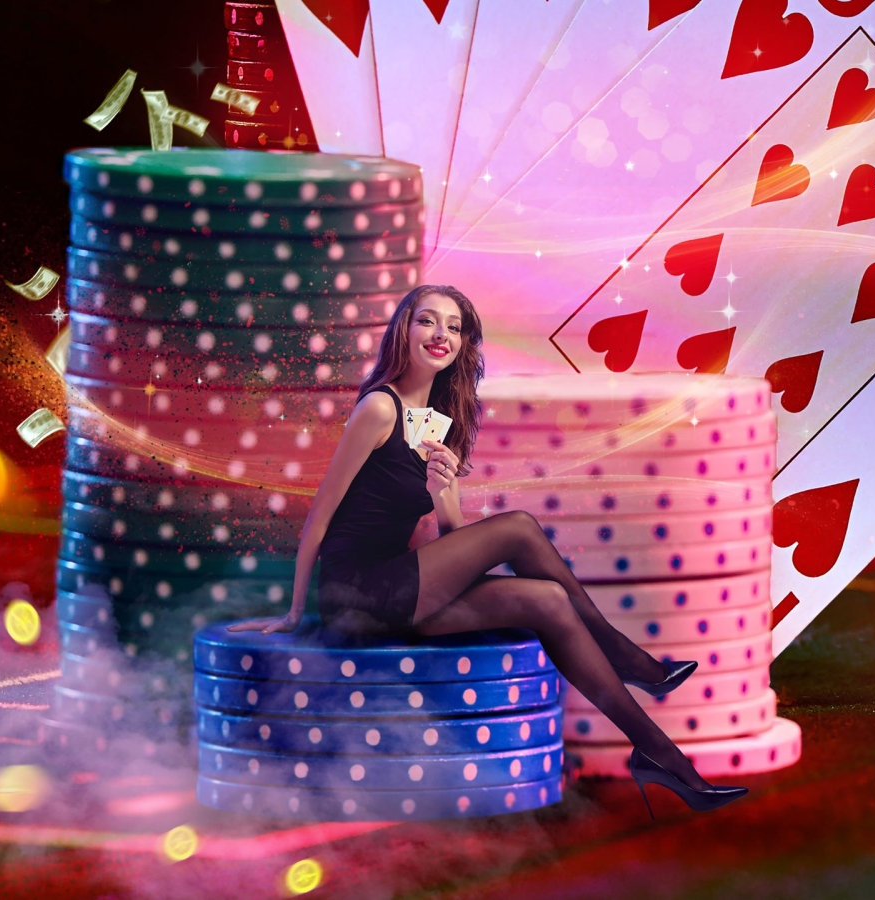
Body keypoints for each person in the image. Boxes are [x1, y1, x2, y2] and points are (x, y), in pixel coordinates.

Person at [229, 284, 746, 815]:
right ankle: (627, 656)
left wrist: (440, 492)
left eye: (453, 327)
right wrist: (297, 612)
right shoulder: (379, 408)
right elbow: (320, 515)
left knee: (547, 600)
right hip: (358, 591)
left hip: (405, 592)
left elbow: (454, 539)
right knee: (520, 527)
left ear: (463, 343)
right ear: (403, 330)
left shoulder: (436, 422)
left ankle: (660, 756)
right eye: (427, 321)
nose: (441, 335)